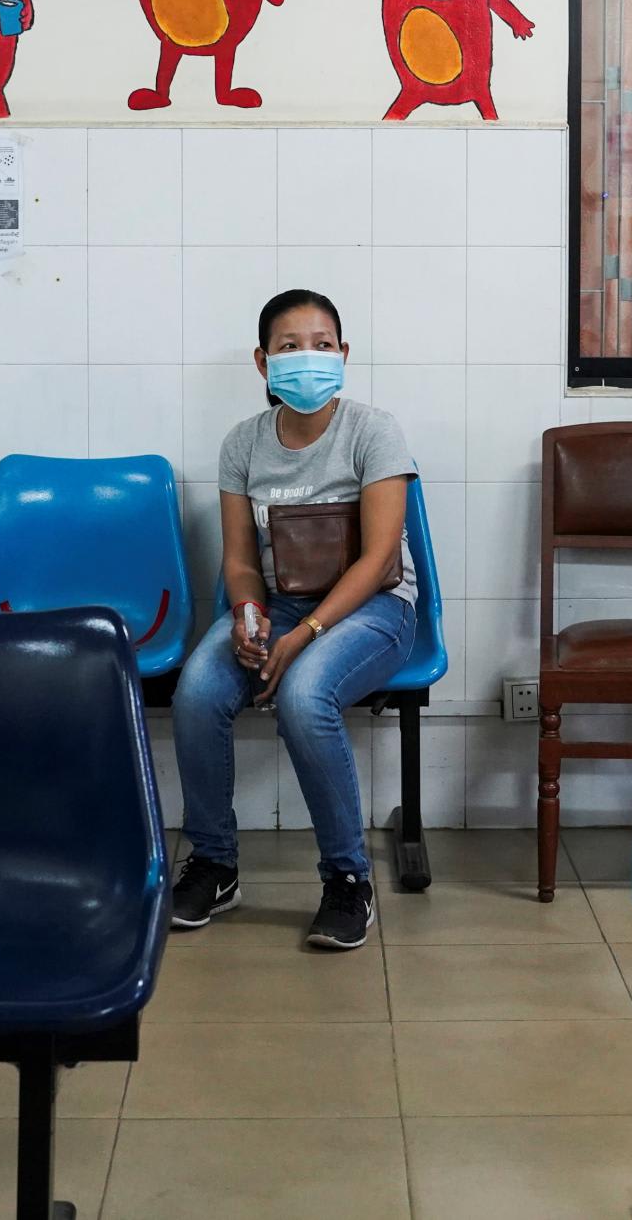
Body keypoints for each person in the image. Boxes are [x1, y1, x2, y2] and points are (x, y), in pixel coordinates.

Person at [167, 289, 418, 952]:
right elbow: (241, 561)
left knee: (306, 696)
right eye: (289, 346)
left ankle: (347, 878)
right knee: (197, 691)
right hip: (281, 605)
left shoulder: (373, 431)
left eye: (322, 344)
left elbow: (379, 558)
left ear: (343, 354)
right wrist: (250, 614)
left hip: (377, 607)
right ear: (262, 362)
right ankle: (214, 865)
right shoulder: (242, 443)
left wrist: (305, 635)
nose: (309, 357)